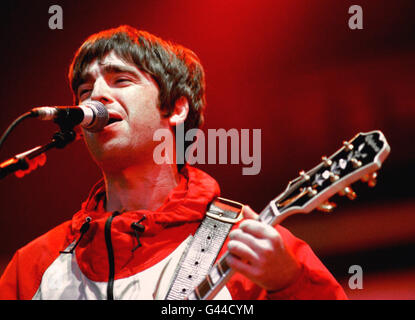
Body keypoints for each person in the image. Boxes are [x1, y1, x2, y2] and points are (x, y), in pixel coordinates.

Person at [0, 25, 347, 300]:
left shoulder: (251, 247)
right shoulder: (31, 266)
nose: (97, 96)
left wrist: (289, 284)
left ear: (177, 108)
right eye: (85, 90)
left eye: (121, 80)